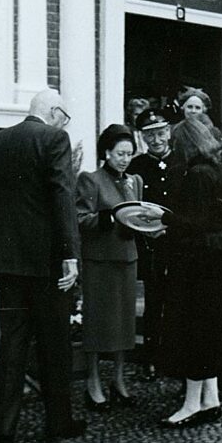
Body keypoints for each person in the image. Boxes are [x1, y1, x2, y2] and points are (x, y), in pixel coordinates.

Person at [0, 88, 85, 443]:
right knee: (55, 346)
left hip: (8, 263)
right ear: (53, 111)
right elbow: (61, 195)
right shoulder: (55, 138)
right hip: (47, 262)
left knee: (12, 346)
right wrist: (70, 252)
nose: (64, 123)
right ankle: (59, 423)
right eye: (64, 116)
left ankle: (3, 429)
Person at [142, 118, 222, 428]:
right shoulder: (214, 168)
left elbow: (195, 223)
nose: (173, 148)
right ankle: (210, 399)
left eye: (176, 142)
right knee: (209, 332)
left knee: (193, 334)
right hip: (211, 261)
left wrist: (164, 219)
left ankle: (191, 405)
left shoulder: (197, 175)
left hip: (195, 264)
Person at [75, 124, 143, 411]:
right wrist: (108, 219)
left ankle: (118, 380)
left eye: (129, 154)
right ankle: (93, 383)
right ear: (107, 152)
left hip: (127, 259)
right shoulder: (91, 180)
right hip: (100, 263)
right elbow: (80, 219)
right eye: (119, 153)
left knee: (124, 325)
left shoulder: (134, 181)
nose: (125, 159)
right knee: (98, 324)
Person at [128, 109, 183, 380]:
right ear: (142, 137)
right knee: (154, 302)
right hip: (149, 243)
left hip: (178, 241)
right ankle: (150, 358)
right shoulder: (136, 166)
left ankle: (173, 356)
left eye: (160, 133)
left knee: (177, 301)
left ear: (169, 132)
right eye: (150, 135)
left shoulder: (181, 162)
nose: (157, 139)